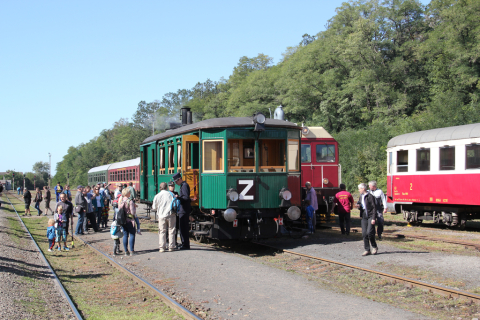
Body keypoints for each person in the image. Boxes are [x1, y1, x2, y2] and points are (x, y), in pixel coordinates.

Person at [152, 182, 177, 252]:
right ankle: (171, 246)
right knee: (171, 230)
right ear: (166, 187)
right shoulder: (171, 194)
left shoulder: (157, 195)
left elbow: (154, 207)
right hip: (171, 214)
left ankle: (162, 247)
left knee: (162, 231)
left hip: (161, 215)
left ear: (160, 188)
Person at [357, 183, 378, 256]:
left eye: (359, 188)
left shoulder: (370, 196)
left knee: (370, 232)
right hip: (364, 216)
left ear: (363, 189)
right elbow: (361, 206)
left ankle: (374, 246)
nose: (359, 190)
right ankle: (367, 249)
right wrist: (359, 206)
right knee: (364, 233)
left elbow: (374, 207)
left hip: (370, 216)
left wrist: (373, 218)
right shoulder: (361, 196)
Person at [174, 173, 191, 250]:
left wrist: (178, 198)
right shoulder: (183, 185)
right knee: (182, 228)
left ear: (179, 179)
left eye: (176, 181)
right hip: (183, 210)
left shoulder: (184, 186)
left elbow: (185, 198)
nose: (176, 183)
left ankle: (185, 245)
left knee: (183, 228)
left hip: (183, 210)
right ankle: (184, 243)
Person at [118, 188, 136, 256]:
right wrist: (134, 208)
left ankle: (126, 251)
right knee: (132, 234)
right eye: (129, 192)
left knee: (125, 235)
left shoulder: (120, 200)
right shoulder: (130, 201)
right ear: (127, 193)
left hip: (123, 221)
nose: (130, 193)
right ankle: (132, 251)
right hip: (130, 220)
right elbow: (132, 212)